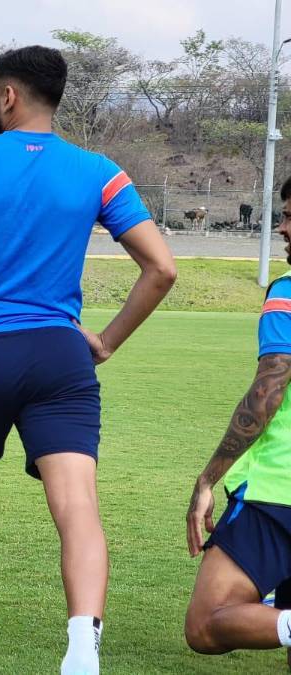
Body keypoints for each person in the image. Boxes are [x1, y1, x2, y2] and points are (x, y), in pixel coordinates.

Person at [0, 46, 176, 674]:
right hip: (60, 356)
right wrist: (105, 342)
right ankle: (81, 653)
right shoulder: (100, 171)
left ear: (9, 95)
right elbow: (162, 268)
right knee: (78, 508)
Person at [183, 179, 291, 666]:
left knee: (207, 624)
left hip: (278, 491)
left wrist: (208, 478)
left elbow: (268, 392)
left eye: (290, 217)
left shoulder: (287, 292)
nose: (282, 228)